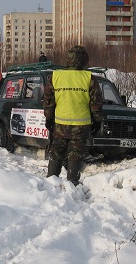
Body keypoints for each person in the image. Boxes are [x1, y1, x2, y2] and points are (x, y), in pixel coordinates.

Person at [43, 45, 103, 185]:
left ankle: (51, 183)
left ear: (69, 59)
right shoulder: (89, 78)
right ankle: (72, 184)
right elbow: (96, 103)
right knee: (75, 154)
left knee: (56, 152)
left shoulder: (55, 76)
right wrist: (97, 120)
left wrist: (49, 118)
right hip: (81, 126)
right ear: (84, 60)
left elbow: (48, 100)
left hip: (59, 125)